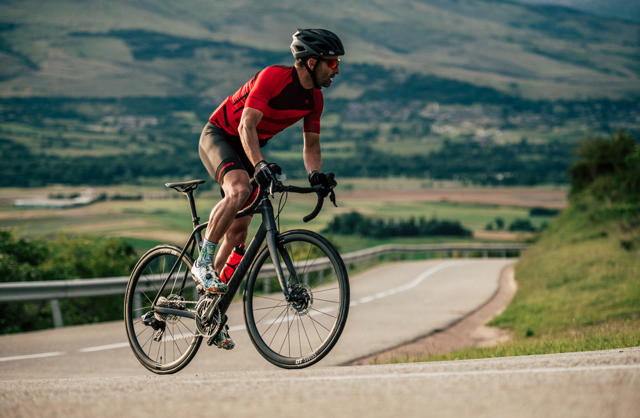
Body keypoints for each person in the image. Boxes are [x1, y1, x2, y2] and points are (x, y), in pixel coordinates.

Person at [193, 29, 345, 349]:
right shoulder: (273, 78)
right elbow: (245, 125)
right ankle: (202, 262)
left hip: (250, 149)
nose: (336, 70)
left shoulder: (314, 99)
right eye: (332, 63)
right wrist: (259, 164)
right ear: (311, 62)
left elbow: (311, 145)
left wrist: (315, 175)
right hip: (221, 136)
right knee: (238, 189)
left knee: (238, 235)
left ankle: (208, 307)